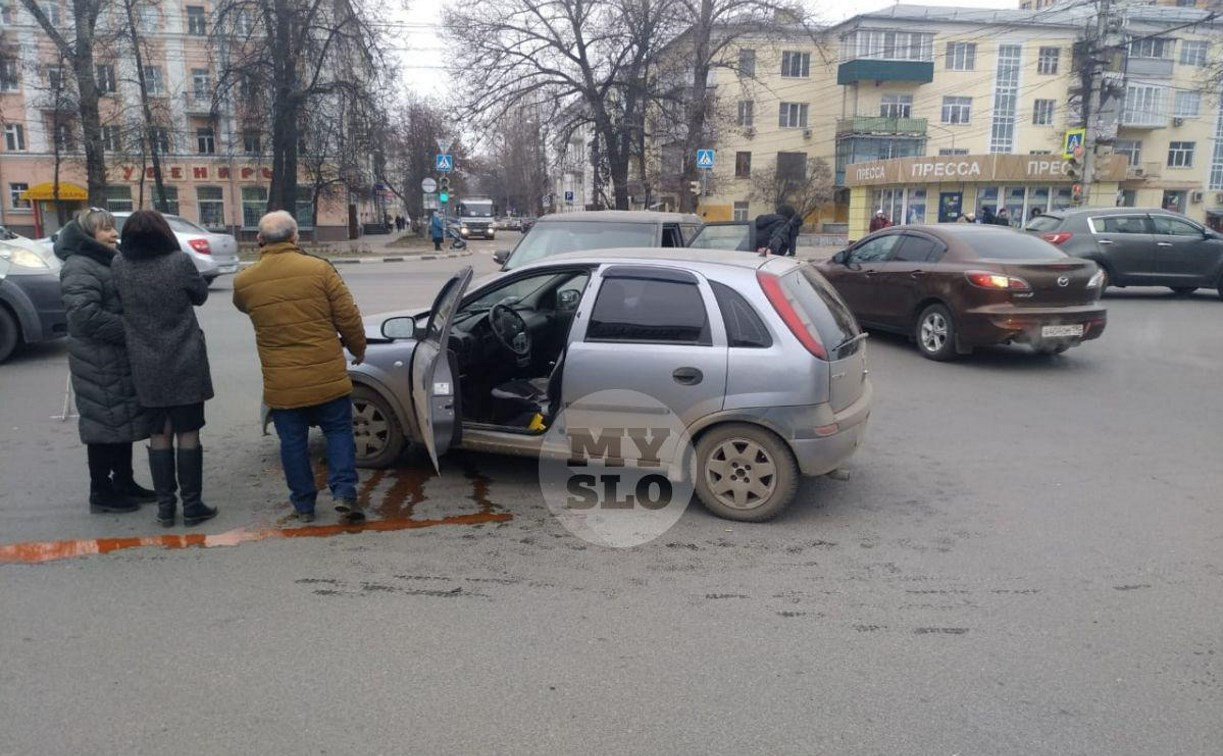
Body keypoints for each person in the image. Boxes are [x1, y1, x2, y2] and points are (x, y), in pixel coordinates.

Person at [232, 211, 367, 524]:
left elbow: (243, 306)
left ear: (259, 239)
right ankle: (344, 493)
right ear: (296, 237)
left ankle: (304, 506)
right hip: (327, 375)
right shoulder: (320, 269)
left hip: (282, 382)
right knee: (338, 431)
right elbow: (347, 316)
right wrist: (358, 349)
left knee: (292, 443)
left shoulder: (245, 281)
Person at [112, 210, 217, 528]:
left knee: (159, 431)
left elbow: (118, 302)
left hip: (145, 360)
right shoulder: (178, 262)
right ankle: (192, 505)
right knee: (188, 430)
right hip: (185, 357)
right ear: (164, 234)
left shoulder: (119, 265)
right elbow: (199, 296)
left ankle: (165, 508)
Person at [56, 209, 155, 514]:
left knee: (120, 422)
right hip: (96, 360)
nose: (114, 234)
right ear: (89, 235)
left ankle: (124, 482)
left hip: (113, 357)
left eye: (114, 228)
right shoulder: (80, 266)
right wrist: (130, 329)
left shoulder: (105, 261)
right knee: (103, 426)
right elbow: (84, 315)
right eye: (106, 230)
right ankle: (100, 490)